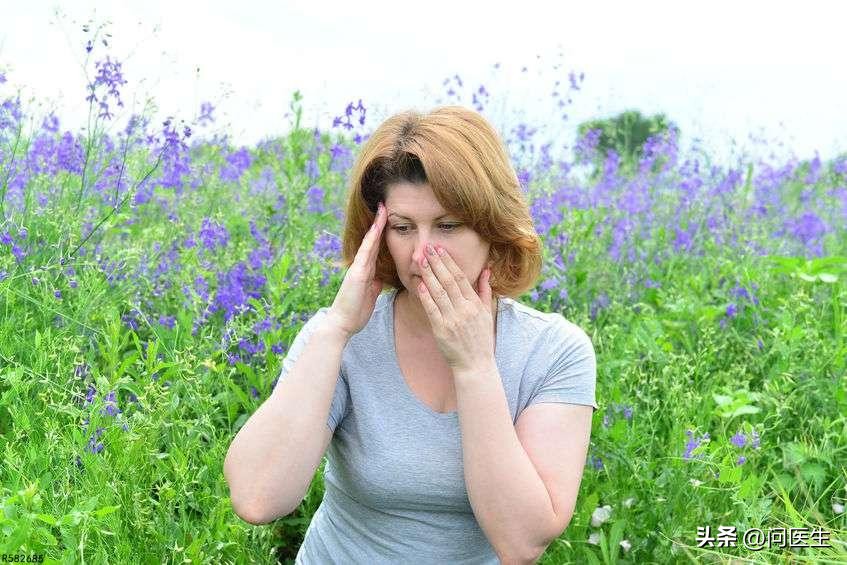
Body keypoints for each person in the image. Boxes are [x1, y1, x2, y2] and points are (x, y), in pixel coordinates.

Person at [224, 106, 598, 564]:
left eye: (448, 225)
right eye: (403, 228)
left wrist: (475, 366)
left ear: (493, 229)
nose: (422, 253)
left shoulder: (553, 351)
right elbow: (258, 498)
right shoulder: (344, 337)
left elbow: (522, 542)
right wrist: (335, 331)